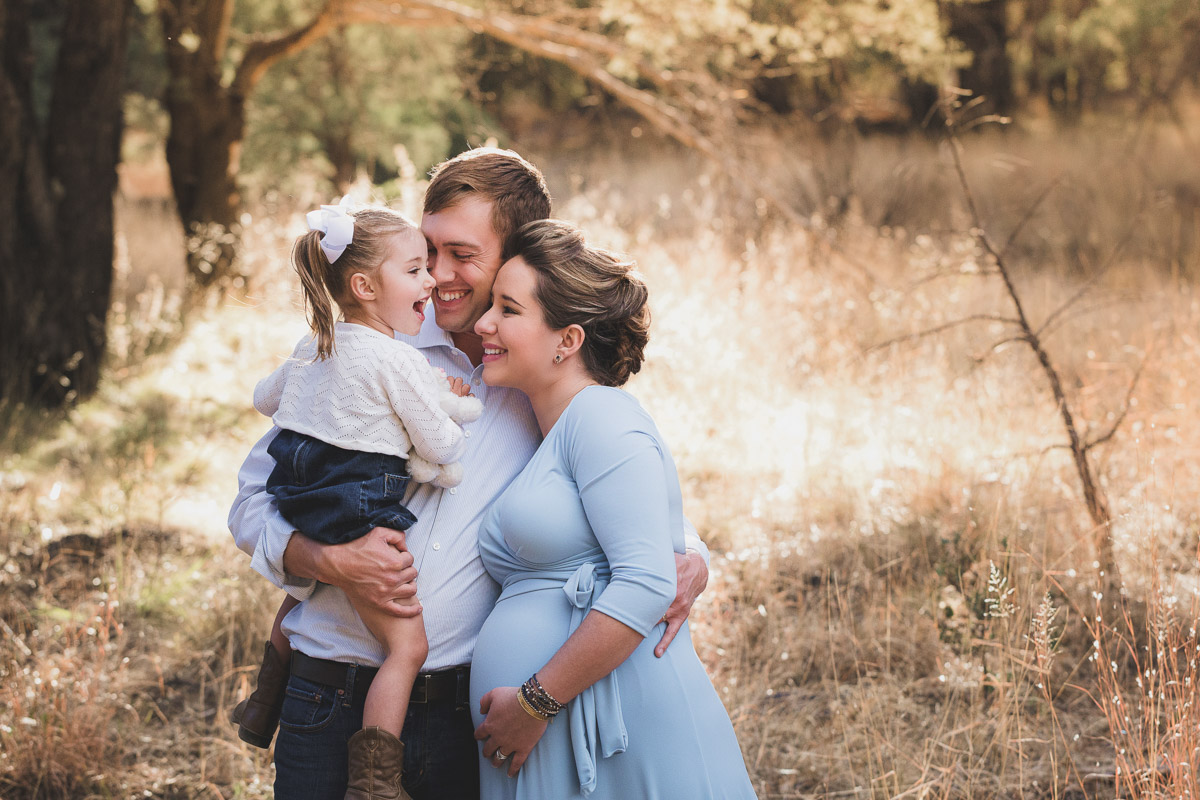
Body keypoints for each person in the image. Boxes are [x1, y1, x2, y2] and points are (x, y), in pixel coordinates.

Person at [228, 148, 712, 800]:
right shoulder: (371, 347)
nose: (437, 274)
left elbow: (623, 480)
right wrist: (325, 558)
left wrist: (691, 553)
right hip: (330, 693)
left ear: (515, 253)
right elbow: (254, 498)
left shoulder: (538, 381)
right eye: (426, 251)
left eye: (462, 254)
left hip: (463, 713)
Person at [469, 219, 756, 799]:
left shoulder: (602, 416)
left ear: (567, 340)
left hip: (620, 716)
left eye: (508, 309)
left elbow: (647, 580)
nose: (484, 323)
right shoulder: (547, 429)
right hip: (567, 720)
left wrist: (533, 702)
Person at [236, 200, 482, 799]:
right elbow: (442, 442)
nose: (433, 280)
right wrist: (458, 405)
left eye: (449, 261)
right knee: (407, 646)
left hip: (300, 493)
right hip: (357, 510)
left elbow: (266, 398)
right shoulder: (398, 358)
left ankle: (262, 702)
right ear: (367, 285)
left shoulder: (314, 343)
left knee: (300, 601)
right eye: (418, 268)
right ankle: (375, 780)